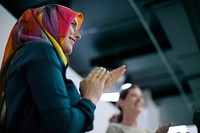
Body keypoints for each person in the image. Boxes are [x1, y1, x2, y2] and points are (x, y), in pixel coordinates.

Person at [0, 4, 126, 133]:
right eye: (72, 24)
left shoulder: (31, 53)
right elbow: (64, 125)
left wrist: (94, 89)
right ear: (51, 22)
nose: (78, 35)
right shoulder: (42, 50)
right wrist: (90, 99)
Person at [106, 84, 172, 133]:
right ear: (121, 103)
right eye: (133, 95)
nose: (139, 99)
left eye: (141, 96)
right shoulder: (114, 128)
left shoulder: (148, 132)